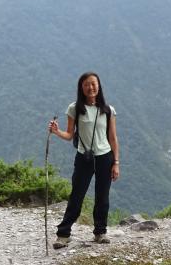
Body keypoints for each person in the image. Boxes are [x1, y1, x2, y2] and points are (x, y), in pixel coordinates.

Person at [47, 72, 120, 248]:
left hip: (105, 157)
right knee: (77, 196)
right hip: (84, 158)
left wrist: (116, 163)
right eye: (87, 84)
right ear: (82, 87)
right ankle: (63, 234)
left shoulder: (108, 110)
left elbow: (113, 138)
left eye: (93, 84)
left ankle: (100, 232)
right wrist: (57, 132)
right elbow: (69, 134)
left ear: (99, 86)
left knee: (102, 197)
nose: (91, 88)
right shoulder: (75, 108)